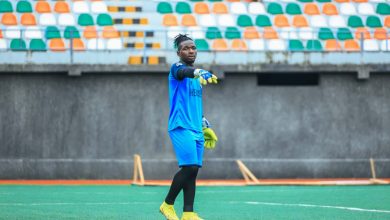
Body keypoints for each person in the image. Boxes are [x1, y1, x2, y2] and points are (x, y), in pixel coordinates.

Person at [159, 34, 218, 220]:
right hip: (180, 125)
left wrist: (203, 122)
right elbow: (183, 72)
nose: (191, 51)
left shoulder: (196, 79)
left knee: (193, 172)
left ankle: (188, 213)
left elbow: (194, 103)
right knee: (190, 167)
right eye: (186, 48)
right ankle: (167, 204)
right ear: (179, 52)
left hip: (195, 128)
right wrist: (199, 72)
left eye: (193, 47)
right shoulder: (177, 68)